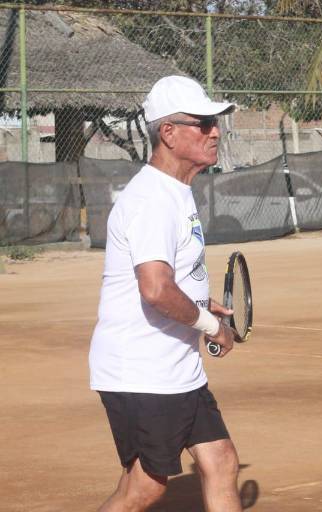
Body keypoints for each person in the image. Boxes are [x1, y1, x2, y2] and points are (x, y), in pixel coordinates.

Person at [89, 75, 243, 511]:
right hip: (142, 371)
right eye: (203, 123)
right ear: (169, 133)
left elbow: (171, 276)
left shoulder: (176, 191)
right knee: (145, 488)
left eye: (216, 123)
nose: (215, 131)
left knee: (221, 460)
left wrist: (198, 299)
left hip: (175, 368)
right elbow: (155, 289)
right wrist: (213, 326)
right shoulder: (152, 198)